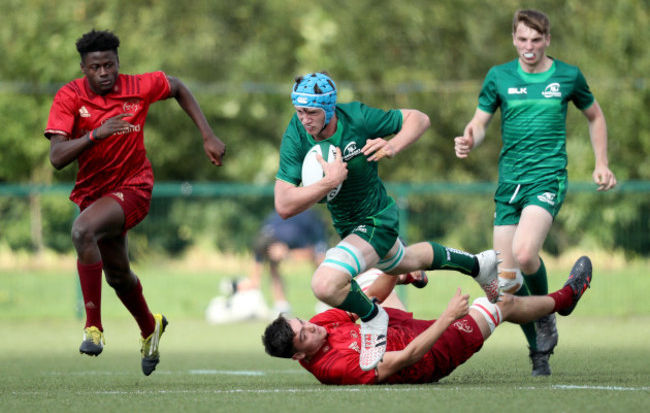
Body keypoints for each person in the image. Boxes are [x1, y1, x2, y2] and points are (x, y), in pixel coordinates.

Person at [274, 71, 501, 372]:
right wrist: (329, 183)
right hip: (350, 228)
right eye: (299, 111)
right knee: (402, 261)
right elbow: (284, 204)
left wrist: (394, 145)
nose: (305, 119)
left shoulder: (357, 117)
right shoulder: (296, 133)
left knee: (324, 284)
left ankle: (372, 318)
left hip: (377, 218)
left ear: (329, 108)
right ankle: (478, 265)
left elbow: (418, 119)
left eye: (312, 112)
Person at [44, 29, 226, 376]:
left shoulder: (138, 87)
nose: (103, 73)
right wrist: (93, 136)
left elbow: (177, 87)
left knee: (82, 231)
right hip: (94, 194)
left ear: (117, 63)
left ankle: (93, 328)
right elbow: (56, 157)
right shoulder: (69, 97)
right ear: (83, 67)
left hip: (135, 186)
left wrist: (208, 135)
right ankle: (150, 326)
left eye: (109, 65)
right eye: (95, 67)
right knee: (117, 275)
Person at [454, 9, 617, 376]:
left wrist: (601, 162)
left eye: (536, 40)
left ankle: (547, 312)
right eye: (523, 39)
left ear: (547, 40)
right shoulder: (499, 77)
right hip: (508, 184)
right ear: (514, 38)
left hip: (546, 178)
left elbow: (595, 116)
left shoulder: (568, 76)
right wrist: (469, 139)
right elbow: (479, 123)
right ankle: (538, 350)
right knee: (505, 290)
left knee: (527, 254)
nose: (529, 47)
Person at [262, 256, 592, 385]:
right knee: (499, 304)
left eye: (303, 323)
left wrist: (399, 278)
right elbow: (407, 358)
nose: (312, 327)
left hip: (398, 328)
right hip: (430, 356)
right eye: (304, 336)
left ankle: (406, 272)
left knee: (370, 275)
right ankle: (565, 299)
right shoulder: (334, 367)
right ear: (299, 356)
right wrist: (448, 317)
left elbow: (368, 302)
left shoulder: (321, 324)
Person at [234, 209, 329, 315]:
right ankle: (281, 305)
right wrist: (249, 284)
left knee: (321, 260)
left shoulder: (290, 234)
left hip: (310, 224)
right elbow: (256, 272)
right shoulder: (261, 241)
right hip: (284, 225)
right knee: (272, 265)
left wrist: (288, 254)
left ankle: (326, 300)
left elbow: (311, 252)